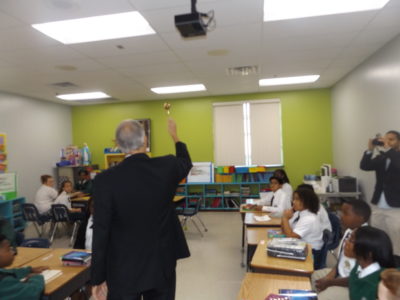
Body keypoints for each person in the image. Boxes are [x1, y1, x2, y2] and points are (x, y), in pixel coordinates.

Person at [91, 118, 192, 300]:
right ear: (145, 140)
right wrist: (175, 136)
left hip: (123, 268)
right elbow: (185, 162)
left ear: (119, 146)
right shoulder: (167, 166)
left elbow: (101, 231)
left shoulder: (104, 180)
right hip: (161, 263)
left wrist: (98, 278)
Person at [312, 199, 371, 300]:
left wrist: (330, 282)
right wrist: (330, 275)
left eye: (345, 213)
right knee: (313, 277)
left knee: (324, 296)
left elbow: (358, 278)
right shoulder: (349, 231)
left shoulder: (366, 240)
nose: (340, 216)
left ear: (360, 218)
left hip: (352, 286)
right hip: (340, 274)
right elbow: (341, 259)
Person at [360, 130, 400, 257]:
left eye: (391, 139)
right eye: (385, 139)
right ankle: (380, 263)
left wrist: (388, 150)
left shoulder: (394, 156)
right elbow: (365, 166)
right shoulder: (382, 157)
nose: (387, 142)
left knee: (396, 240)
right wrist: (370, 150)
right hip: (377, 204)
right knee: (378, 237)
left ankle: (396, 269)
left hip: (395, 207)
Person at [344, 226, 395, 300]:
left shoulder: (377, 285)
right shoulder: (359, 265)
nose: (346, 242)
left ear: (368, 253)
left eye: (351, 240)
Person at [281, 188, 324, 269]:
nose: (293, 202)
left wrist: (285, 218)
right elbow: (284, 230)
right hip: (301, 246)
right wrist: (285, 218)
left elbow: (291, 236)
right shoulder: (298, 213)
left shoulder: (309, 218)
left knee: (278, 259)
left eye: (297, 199)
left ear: (307, 201)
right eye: (293, 199)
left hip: (311, 253)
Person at [0, 234, 48, 299]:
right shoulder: (4, 282)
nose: (13, 252)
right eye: (8, 249)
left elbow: (7, 272)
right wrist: (36, 278)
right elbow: (31, 294)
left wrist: (28, 270)